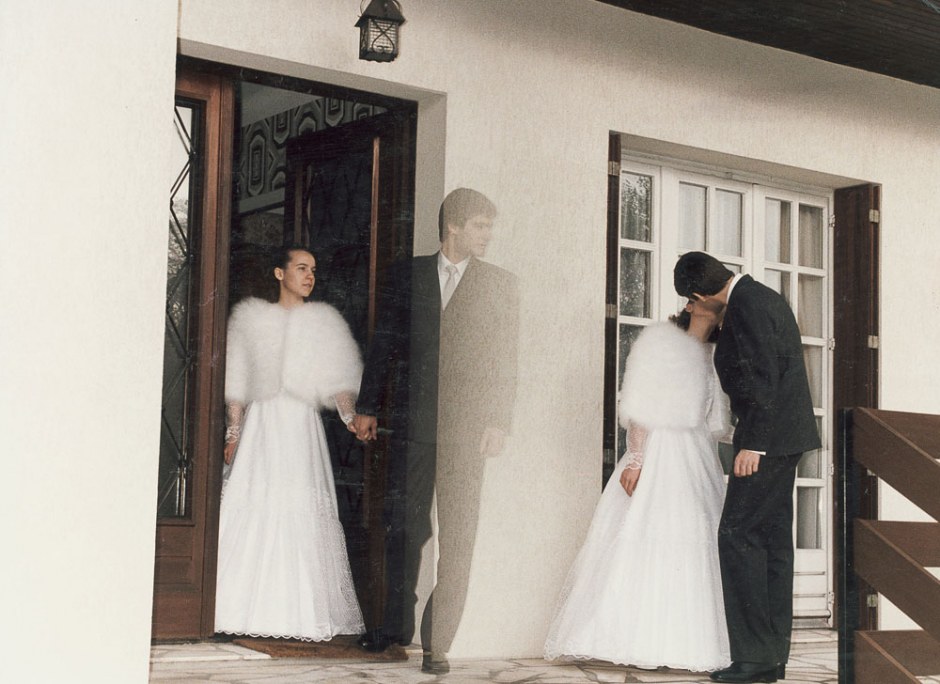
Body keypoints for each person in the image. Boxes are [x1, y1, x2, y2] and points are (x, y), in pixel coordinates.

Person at [350, 188, 518, 673]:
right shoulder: (408, 275)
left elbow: (506, 358)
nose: (487, 236)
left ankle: (437, 643)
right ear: (454, 227)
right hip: (413, 426)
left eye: (489, 226)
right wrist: (368, 406)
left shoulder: (501, 285)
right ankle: (392, 629)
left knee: (459, 536)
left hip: (468, 433)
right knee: (405, 528)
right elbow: (385, 343)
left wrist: (499, 422)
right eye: (480, 226)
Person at [544, 301, 731, 672]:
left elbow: (716, 419)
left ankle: (682, 642)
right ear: (693, 304)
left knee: (693, 540)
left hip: (696, 455)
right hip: (660, 449)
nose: (719, 311)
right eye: (713, 304)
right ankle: (627, 637)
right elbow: (641, 403)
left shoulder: (715, 356)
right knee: (644, 535)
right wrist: (636, 458)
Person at [673, 252, 820, 684]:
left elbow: (762, 376)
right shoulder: (758, 296)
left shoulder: (748, 305)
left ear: (700, 294)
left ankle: (755, 659)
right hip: (783, 439)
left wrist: (752, 442)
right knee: (771, 543)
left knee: (736, 535)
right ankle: (769, 658)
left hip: (768, 441)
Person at [214, 246, 365, 641]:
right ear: (279, 273)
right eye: (301, 268)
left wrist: (350, 418)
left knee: (298, 505)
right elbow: (238, 379)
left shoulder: (322, 322)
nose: (309, 276)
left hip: (301, 426)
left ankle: (298, 614)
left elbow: (337, 380)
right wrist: (234, 432)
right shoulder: (252, 319)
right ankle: (239, 608)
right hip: (264, 423)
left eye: (313, 270)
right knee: (258, 502)